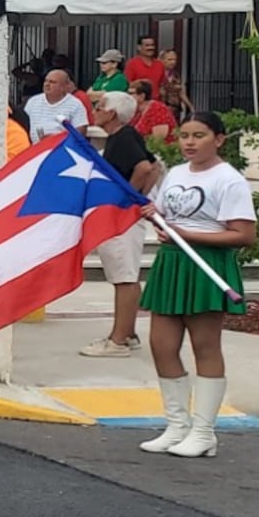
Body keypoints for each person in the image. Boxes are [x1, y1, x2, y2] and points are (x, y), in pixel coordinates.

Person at [138, 111, 257, 459]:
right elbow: (165, 215)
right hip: (173, 263)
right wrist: (153, 216)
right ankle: (177, 426)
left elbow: (244, 235)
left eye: (199, 135)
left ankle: (204, 431)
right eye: (184, 135)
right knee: (161, 344)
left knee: (205, 346)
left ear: (219, 139)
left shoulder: (229, 180)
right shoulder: (175, 173)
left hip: (207, 266)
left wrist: (185, 234)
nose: (189, 142)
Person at [82, 91, 162, 359]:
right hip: (125, 216)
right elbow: (155, 166)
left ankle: (117, 341)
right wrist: (140, 198)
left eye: (100, 106)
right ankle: (128, 333)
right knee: (124, 275)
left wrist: (126, 201)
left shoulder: (123, 137)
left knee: (124, 277)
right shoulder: (123, 137)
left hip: (121, 220)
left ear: (112, 113)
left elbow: (143, 168)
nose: (95, 110)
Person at [24, 70, 89, 142]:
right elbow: (23, 126)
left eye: (52, 82)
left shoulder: (75, 104)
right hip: (34, 148)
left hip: (61, 148)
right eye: (46, 81)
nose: (47, 84)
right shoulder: (33, 101)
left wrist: (55, 140)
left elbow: (80, 134)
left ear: (64, 86)